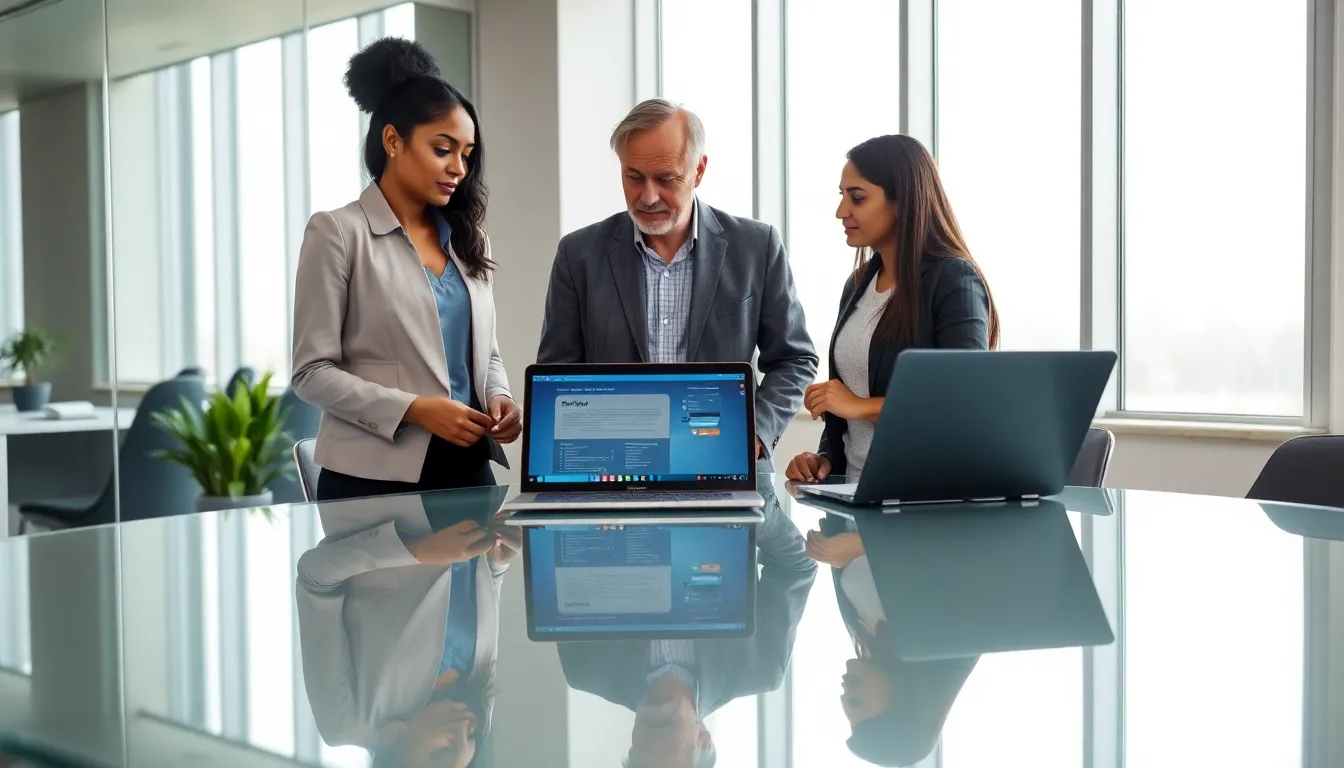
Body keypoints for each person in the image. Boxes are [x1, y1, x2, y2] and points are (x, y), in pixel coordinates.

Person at [291, 38, 520, 501]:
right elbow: (311, 371)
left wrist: (500, 397)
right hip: (371, 480)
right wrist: (415, 409)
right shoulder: (337, 232)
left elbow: (485, 354)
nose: (459, 168)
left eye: (467, 154)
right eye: (443, 149)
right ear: (393, 140)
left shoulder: (469, 239)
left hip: (469, 466)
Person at [537, 99, 817, 470]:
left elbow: (794, 358)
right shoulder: (579, 255)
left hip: (726, 463)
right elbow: (557, 375)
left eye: (666, 179)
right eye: (633, 177)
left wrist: (756, 436)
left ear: (698, 170)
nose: (648, 196)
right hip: (612, 472)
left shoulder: (756, 247)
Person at [785, 134, 1000, 485]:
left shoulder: (953, 279)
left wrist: (857, 405)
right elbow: (848, 412)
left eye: (857, 197)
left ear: (903, 202)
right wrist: (824, 457)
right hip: (853, 497)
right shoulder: (857, 286)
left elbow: (964, 400)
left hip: (921, 504)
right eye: (842, 197)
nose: (842, 211)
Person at [557, 483, 817, 767]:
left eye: (639, 754)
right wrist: (750, 511)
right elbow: (797, 566)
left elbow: (561, 551)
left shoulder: (585, 669)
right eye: (666, 756)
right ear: (703, 738)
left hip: (609, 478)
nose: (650, 742)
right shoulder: (760, 668)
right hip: (715, 476)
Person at [295, 487, 521, 768]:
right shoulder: (476, 705)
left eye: (442, 753)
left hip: (388, 488)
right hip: (473, 495)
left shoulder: (345, 722)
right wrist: (499, 560)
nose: (466, 732)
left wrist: (416, 550)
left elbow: (314, 576)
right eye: (470, 742)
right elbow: (478, 599)